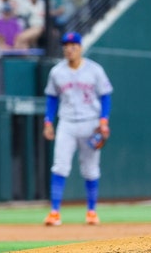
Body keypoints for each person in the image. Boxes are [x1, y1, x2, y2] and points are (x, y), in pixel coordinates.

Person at [42, 31, 113, 226]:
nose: (69, 49)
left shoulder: (94, 70)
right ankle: (55, 212)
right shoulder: (57, 71)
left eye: (73, 45)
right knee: (59, 166)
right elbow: (51, 98)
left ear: (80, 48)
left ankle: (91, 211)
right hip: (67, 123)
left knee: (90, 169)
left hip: (91, 123)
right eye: (65, 46)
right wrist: (48, 121)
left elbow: (106, 95)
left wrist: (104, 120)